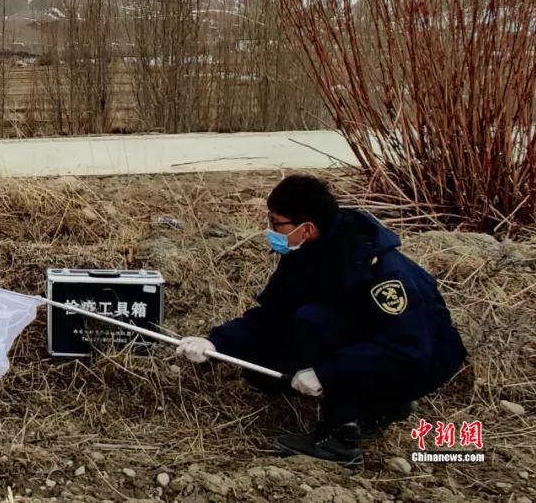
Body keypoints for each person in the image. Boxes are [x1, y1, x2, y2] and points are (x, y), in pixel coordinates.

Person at [176, 175, 467, 470]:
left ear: (307, 228)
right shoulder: (306, 252)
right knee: (264, 367)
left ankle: (341, 438)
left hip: (421, 359)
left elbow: (407, 349)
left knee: (311, 320)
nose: (270, 230)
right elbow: (273, 315)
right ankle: (379, 406)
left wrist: (326, 373)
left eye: (276, 223)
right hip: (369, 343)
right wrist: (216, 342)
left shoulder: (381, 273)